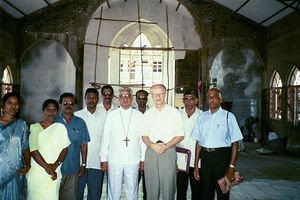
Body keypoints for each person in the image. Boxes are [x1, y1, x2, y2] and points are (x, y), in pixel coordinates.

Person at [191, 88, 243, 200]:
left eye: (214, 96)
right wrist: (196, 165)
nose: (211, 99)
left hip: (222, 158)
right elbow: (198, 142)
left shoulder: (228, 116)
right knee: (206, 193)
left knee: (222, 192)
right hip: (205, 158)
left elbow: (235, 143)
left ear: (220, 99)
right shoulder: (202, 117)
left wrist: (231, 167)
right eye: (209, 97)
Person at [140, 84, 184, 200]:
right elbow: (144, 135)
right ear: (151, 96)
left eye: (160, 93)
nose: (158, 96)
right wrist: (152, 145)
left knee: (168, 188)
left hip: (168, 151)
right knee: (151, 188)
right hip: (151, 151)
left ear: (165, 94)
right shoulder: (147, 114)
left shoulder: (174, 112)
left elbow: (180, 135)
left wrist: (165, 145)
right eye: (155, 94)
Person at [100, 87, 145, 200]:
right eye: (122, 96)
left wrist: (143, 158)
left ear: (132, 98)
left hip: (133, 159)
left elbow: (142, 139)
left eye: (127, 96)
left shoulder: (139, 115)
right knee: (114, 192)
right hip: (114, 159)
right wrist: (103, 159)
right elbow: (106, 138)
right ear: (118, 98)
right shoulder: (112, 115)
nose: (125, 99)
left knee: (132, 191)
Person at [27, 99, 70, 200]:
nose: (51, 113)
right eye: (48, 110)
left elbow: (65, 149)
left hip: (54, 172)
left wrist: (54, 166)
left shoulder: (60, 128)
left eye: (54, 110)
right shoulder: (34, 127)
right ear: (43, 111)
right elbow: (33, 150)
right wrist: (48, 168)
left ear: (57, 112)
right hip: (38, 172)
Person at [55, 93, 90, 200]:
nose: (68, 105)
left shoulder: (80, 122)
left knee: (70, 197)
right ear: (60, 104)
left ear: (74, 106)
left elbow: (83, 145)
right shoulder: (54, 121)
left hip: (72, 168)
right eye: (65, 103)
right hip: (55, 168)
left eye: (71, 103)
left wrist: (83, 164)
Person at [75, 88, 106, 200]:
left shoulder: (104, 116)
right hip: (78, 163)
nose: (91, 100)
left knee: (95, 195)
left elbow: (106, 140)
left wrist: (105, 159)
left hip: (97, 163)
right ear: (85, 99)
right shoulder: (77, 116)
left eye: (93, 98)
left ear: (97, 99)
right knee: (77, 194)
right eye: (89, 98)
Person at [0, 92, 30, 200]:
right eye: (9, 103)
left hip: (16, 169)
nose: (13, 106)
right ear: (3, 105)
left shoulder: (22, 125)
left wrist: (28, 165)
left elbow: (25, 146)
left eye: (16, 103)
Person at [177, 90, 203, 200]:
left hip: (197, 161)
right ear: (183, 100)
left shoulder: (202, 115)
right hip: (180, 160)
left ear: (196, 100)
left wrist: (197, 163)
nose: (189, 102)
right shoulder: (177, 115)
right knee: (180, 191)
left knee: (197, 191)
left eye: (192, 99)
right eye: (186, 99)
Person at [135, 89, 148, 200]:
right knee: (133, 184)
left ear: (147, 100)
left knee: (147, 186)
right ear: (136, 99)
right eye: (139, 98)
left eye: (144, 98)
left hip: (149, 153)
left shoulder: (151, 113)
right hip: (134, 154)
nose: (141, 100)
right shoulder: (132, 114)